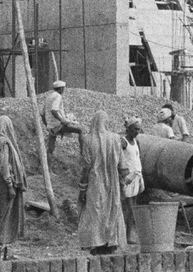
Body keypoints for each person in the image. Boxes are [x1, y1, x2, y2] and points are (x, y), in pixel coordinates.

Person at [0, 115, 38, 261]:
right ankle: (1, 246)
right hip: (5, 185)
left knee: (0, 214)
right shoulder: (4, 143)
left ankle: (1, 246)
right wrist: (10, 185)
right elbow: (4, 166)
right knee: (6, 215)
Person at [78, 110, 127, 255]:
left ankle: (97, 242)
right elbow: (123, 166)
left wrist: (82, 188)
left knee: (95, 211)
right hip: (113, 183)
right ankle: (111, 242)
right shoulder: (115, 139)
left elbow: (85, 167)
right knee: (112, 210)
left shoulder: (87, 140)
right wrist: (123, 183)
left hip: (94, 183)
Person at [40, 80, 83, 159]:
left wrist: (47, 125)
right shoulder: (58, 96)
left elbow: (42, 114)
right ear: (60, 89)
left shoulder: (49, 97)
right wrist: (62, 120)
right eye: (63, 88)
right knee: (80, 130)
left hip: (51, 127)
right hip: (58, 126)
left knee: (50, 148)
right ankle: (83, 153)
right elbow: (54, 110)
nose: (64, 90)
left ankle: (48, 169)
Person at [120, 116, 144, 246]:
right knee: (128, 208)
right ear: (128, 129)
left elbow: (137, 159)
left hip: (137, 176)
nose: (137, 132)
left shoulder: (136, 142)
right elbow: (119, 158)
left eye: (139, 130)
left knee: (133, 207)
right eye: (135, 129)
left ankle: (129, 234)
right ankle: (126, 236)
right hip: (128, 177)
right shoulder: (123, 142)